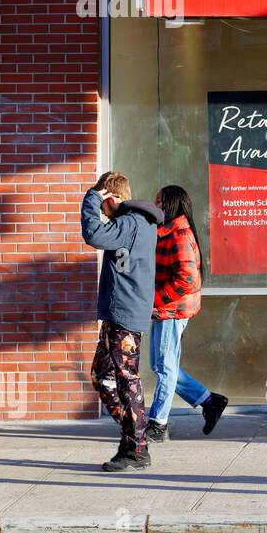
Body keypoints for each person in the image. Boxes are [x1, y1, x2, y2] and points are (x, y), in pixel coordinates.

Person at [81, 171, 163, 472]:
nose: (102, 211)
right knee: (102, 376)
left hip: (124, 315)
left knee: (126, 379)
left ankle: (137, 446)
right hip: (120, 313)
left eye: (103, 203)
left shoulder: (130, 224)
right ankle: (134, 434)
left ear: (110, 198)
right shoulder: (134, 224)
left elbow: (93, 234)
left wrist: (90, 198)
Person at [146, 185, 228, 442]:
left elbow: (186, 279)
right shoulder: (167, 232)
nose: (155, 206)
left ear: (171, 205)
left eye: (160, 202)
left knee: (165, 369)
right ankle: (208, 400)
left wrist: (156, 299)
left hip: (172, 310)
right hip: (166, 310)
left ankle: (158, 423)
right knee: (160, 365)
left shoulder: (179, 235)